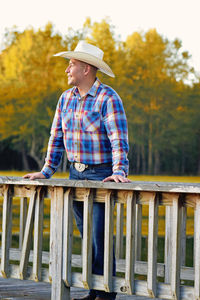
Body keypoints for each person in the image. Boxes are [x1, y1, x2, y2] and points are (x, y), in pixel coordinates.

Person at [24, 41, 130, 300]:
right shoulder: (65, 98)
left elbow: (118, 138)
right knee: (86, 238)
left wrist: (119, 171)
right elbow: (56, 137)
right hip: (75, 175)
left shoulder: (108, 97)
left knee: (99, 239)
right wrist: (46, 171)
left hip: (101, 175)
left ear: (86, 69)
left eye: (71, 64)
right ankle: (95, 290)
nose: (67, 69)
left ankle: (106, 295)